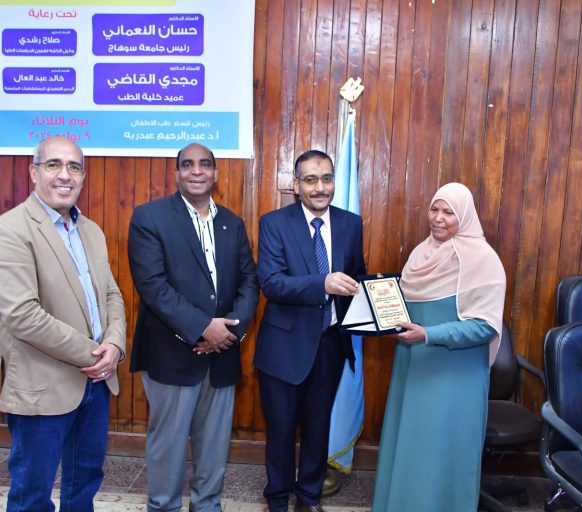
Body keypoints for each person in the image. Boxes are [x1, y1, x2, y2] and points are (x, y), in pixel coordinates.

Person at [0, 136, 127, 512]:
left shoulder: (91, 231)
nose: (65, 175)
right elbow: (22, 315)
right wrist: (95, 354)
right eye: (54, 165)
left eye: (74, 167)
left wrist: (115, 345)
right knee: (32, 494)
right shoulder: (7, 230)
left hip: (96, 383)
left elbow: (112, 295)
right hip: (43, 386)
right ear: (34, 172)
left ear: (83, 176)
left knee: (84, 484)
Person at [128, 143, 259, 512]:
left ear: (215, 173)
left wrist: (228, 333)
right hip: (171, 353)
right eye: (187, 165)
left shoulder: (232, 223)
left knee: (214, 445)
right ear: (177, 174)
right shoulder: (150, 217)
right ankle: (163, 506)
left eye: (205, 164)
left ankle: (207, 505)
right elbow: (152, 286)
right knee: (168, 445)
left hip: (222, 355)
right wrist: (203, 328)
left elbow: (249, 282)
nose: (196, 171)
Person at [372, 182, 506, 512]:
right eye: (435, 209)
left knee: (440, 458)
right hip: (413, 368)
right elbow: (405, 308)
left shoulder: (483, 260)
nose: (439, 218)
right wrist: (380, 309)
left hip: (455, 377)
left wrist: (429, 334)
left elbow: (485, 326)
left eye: (449, 212)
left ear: (465, 216)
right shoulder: (420, 253)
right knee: (409, 450)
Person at [255, 149, 366, 512]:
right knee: (281, 431)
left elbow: (357, 276)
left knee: (318, 429)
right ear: (296, 185)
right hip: (284, 347)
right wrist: (323, 283)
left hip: (330, 344)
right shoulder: (275, 223)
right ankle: (277, 500)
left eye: (327, 179)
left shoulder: (351, 224)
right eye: (311, 180)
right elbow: (272, 283)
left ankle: (309, 498)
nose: (320, 188)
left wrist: (380, 304)